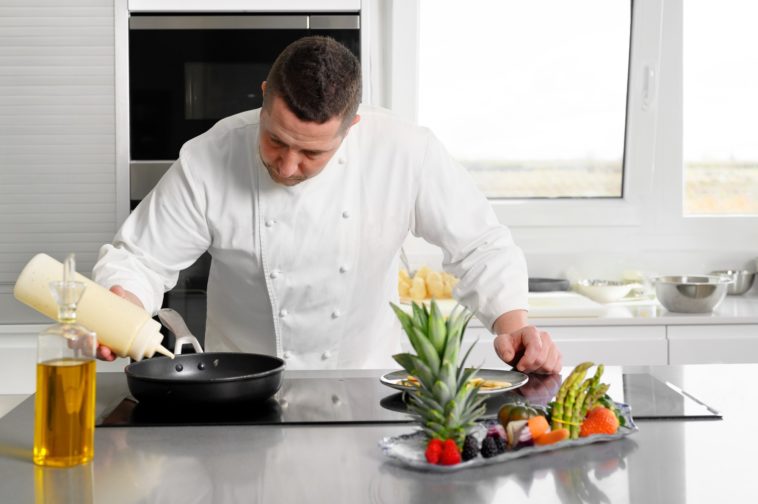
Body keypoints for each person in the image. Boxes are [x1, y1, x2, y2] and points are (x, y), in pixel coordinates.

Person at [93, 36, 561, 374]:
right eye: (275, 140)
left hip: (366, 386)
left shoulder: (405, 151)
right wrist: (121, 302)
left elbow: (480, 245)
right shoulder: (209, 158)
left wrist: (513, 323)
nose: (289, 166)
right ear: (264, 96)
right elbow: (141, 259)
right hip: (239, 388)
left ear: (352, 125)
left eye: (313, 153)